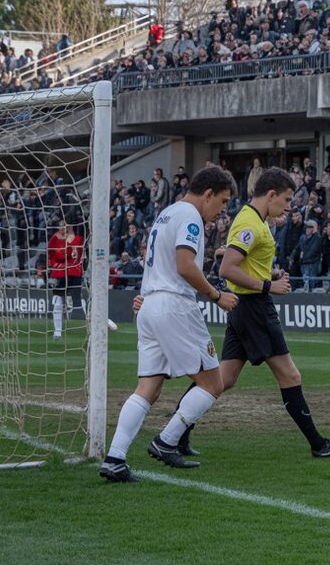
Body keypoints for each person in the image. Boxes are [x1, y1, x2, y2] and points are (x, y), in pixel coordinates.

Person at [158, 168, 330, 458]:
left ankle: (177, 435)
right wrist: (268, 285)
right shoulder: (250, 222)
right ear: (271, 195)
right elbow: (228, 270)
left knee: (222, 380)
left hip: (245, 307)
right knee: (290, 376)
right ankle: (319, 445)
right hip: (254, 308)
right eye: (286, 199)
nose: (289, 206)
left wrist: (269, 273)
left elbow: (240, 263)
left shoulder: (256, 220)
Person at [99, 168, 239, 482]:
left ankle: (115, 458)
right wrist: (217, 296)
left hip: (149, 304)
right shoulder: (190, 216)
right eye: (222, 201)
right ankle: (167, 441)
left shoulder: (167, 213)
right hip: (174, 305)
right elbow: (185, 266)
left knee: (148, 388)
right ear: (208, 194)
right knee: (213, 384)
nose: (222, 210)